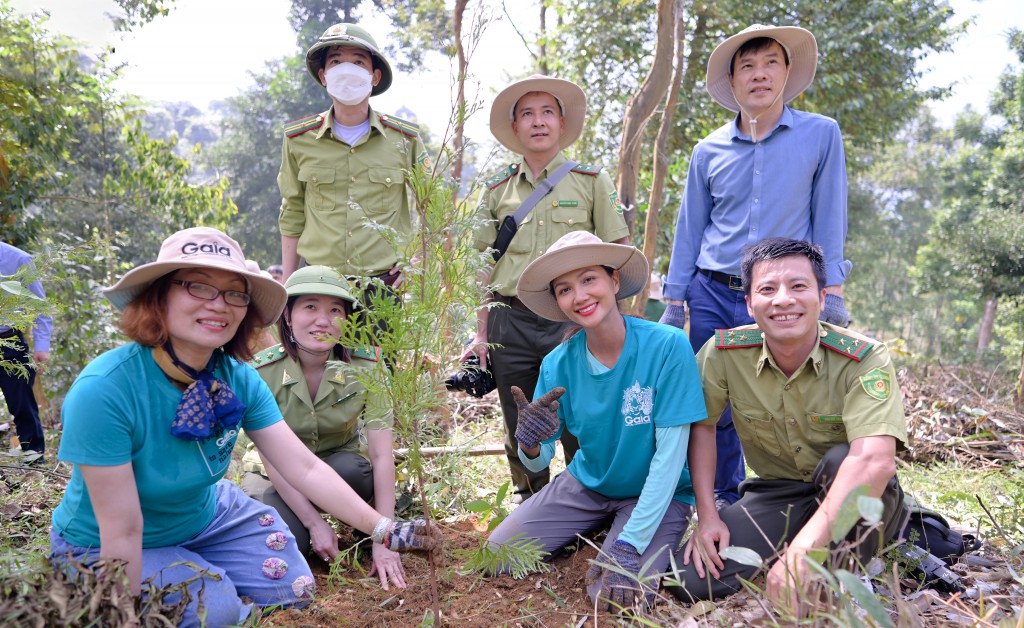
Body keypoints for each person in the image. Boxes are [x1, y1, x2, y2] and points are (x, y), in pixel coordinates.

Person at [49, 227, 438, 628]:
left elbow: (303, 467)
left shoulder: (238, 378)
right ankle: (201, 585)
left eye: (234, 293)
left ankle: (200, 570)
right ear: (158, 296)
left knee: (296, 587)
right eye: (197, 287)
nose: (219, 305)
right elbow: (123, 529)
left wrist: (386, 531)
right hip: (111, 540)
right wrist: (123, 616)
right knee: (213, 612)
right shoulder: (106, 390)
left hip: (205, 515)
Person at [660, 24, 852, 508]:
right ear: (733, 81)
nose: (759, 75)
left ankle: (803, 493)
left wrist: (832, 291)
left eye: (771, 63)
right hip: (713, 291)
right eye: (747, 66)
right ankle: (723, 497)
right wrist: (674, 298)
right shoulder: (708, 151)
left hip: (780, 294)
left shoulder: (820, 135)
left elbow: (829, 216)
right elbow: (690, 227)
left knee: (789, 394)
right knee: (713, 402)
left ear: (788, 74)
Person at [668, 238, 908, 615]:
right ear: (749, 303)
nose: (782, 300)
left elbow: (874, 463)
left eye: (798, 286)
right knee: (691, 579)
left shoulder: (863, 357)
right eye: (767, 289)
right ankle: (800, 539)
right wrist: (708, 515)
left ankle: (866, 547)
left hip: (856, 493)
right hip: (779, 493)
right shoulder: (723, 353)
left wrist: (801, 551)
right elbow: (703, 428)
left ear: (822, 297)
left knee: (821, 587)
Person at [486, 231, 712, 611]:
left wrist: (630, 543)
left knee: (615, 596)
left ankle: (622, 533)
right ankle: (597, 524)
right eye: (565, 289)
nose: (580, 296)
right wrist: (528, 442)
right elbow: (539, 460)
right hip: (589, 483)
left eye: (589, 279)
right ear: (558, 302)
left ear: (614, 280)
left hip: (659, 491)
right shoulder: (558, 363)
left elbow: (671, 459)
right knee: (500, 555)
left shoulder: (667, 346)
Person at [466, 74, 630, 502]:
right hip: (509, 320)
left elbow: (619, 252)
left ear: (561, 123)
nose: (538, 122)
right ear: (516, 128)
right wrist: (481, 333)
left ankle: (586, 497)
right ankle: (530, 499)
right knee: (519, 415)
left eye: (547, 113)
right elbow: (482, 264)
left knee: (581, 413)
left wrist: (615, 325)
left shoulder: (592, 181)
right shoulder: (497, 188)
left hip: (573, 319)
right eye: (527, 114)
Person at [241, 265, 404, 590]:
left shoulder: (368, 366)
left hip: (337, 468)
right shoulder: (262, 371)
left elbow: (382, 455)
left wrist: (383, 537)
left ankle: (362, 527)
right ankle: (307, 529)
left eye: (335, 310)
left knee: (358, 468)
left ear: (348, 319)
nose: (322, 319)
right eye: (310, 307)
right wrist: (314, 524)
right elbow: (273, 459)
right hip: (274, 476)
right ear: (287, 315)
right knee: (286, 546)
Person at [278, 22, 429, 285]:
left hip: (384, 286)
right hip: (318, 283)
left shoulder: (404, 139)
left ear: (375, 76)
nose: (347, 70)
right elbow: (292, 211)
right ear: (324, 76)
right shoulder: (298, 139)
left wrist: (416, 262)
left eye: (358, 62)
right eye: (336, 61)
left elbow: (434, 205)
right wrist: (288, 283)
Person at [0, 242, 51, 459]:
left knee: (22, 404)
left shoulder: (19, 259)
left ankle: (34, 457)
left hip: (9, 339)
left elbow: (39, 305)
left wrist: (42, 346)